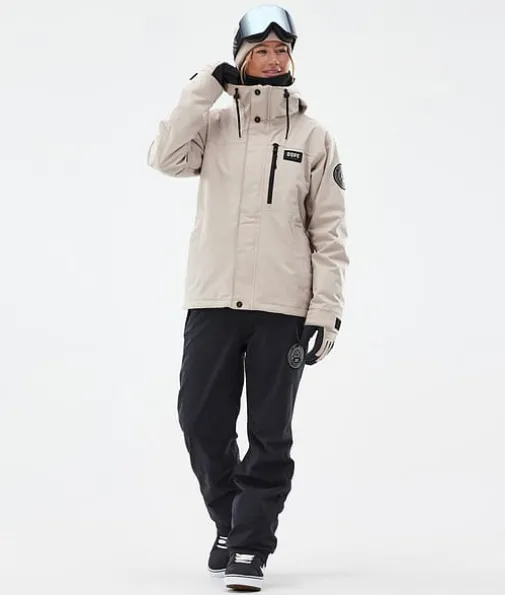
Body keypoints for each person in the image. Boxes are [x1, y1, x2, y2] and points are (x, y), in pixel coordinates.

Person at [147, 5, 349, 592]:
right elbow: (163, 157)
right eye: (260, 50)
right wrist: (204, 87)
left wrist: (325, 310)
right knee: (199, 419)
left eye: (281, 50)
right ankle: (231, 523)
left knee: (269, 434)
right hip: (212, 299)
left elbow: (330, 232)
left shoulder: (313, 136)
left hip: (283, 308)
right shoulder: (212, 126)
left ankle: (250, 547)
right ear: (241, 56)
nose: (272, 59)